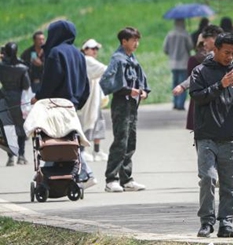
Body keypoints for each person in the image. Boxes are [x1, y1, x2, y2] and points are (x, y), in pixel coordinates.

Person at [190, 33, 233, 238]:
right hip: (206, 136)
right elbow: (197, 97)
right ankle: (207, 222)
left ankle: (226, 222)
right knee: (208, 178)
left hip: (231, 137)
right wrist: (220, 85)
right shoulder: (200, 71)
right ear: (215, 49)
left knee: (229, 183)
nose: (230, 57)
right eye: (226, 52)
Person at [33, 20, 94, 187]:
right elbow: (86, 85)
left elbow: (50, 82)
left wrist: (38, 97)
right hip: (72, 106)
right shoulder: (79, 54)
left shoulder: (55, 53)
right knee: (71, 141)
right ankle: (74, 173)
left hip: (55, 106)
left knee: (54, 143)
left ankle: (79, 173)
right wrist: (77, 103)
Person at [100, 27, 150, 193]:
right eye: (133, 40)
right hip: (121, 104)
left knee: (131, 142)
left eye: (137, 40)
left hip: (132, 105)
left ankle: (126, 179)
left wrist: (143, 91)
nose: (136, 43)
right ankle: (111, 179)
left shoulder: (132, 59)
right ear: (124, 41)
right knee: (120, 141)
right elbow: (108, 82)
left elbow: (141, 80)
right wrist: (129, 90)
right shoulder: (118, 59)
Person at [174, 24, 223, 131]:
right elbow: (196, 75)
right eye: (202, 42)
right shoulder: (209, 58)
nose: (204, 44)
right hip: (208, 101)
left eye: (206, 40)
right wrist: (183, 86)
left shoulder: (226, 56)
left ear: (215, 39)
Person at [0, 42, 31, 166]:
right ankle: (21, 155)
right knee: (21, 127)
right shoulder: (22, 68)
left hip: (4, 97)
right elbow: (26, 85)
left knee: (8, 127)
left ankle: (11, 156)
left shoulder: (1, 67)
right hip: (19, 99)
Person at [79, 39, 109, 162]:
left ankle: (96, 150)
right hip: (89, 97)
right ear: (85, 50)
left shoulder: (90, 60)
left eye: (96, 49)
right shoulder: (86, 60)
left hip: (96, 97)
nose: (95, 51)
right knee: (88, 122)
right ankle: (83, 151)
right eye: (92, 48)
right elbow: (104, 69)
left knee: (98, 123)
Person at [164, 18, 194, 111]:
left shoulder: (170, 34)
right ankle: (180, 104)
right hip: (184, 62)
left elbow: (165, 49)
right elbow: (190, 47)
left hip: (173, 62)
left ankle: (175, 102)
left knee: (174, 83)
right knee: (182, 84)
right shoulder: (185, 34)